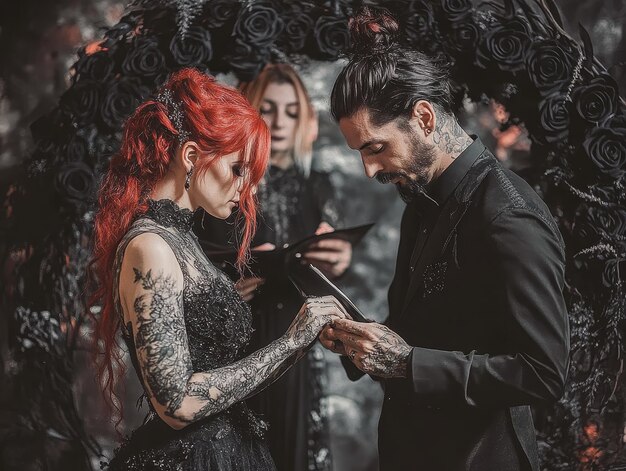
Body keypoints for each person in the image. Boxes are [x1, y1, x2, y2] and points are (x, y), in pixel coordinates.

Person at [319, 8, 570, 471]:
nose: (369, 169)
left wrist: (407, 364)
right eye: (359, 153)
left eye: (375, 147)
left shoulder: (508, 214)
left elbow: (543, 372)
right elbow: (432, 329)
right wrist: (362, 343)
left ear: (424, 117)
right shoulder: (421, 195)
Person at [91, 68, 346, 471]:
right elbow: (176, 403)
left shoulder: (181, 238)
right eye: (238, 169)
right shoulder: (150, 247)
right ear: (191, 156)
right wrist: (291, 343)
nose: (246, 188)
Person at [197, 63, 352, 471]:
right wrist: (224, 286)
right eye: (268, 109)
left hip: (298, 345)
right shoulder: (223, 179)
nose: (280, 122)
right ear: (248, 111)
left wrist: (338, 259)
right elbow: (194, 260)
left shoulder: (318, 184)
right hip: (234, 345)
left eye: (291, 111)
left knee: (294, 451)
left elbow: (325, 266)